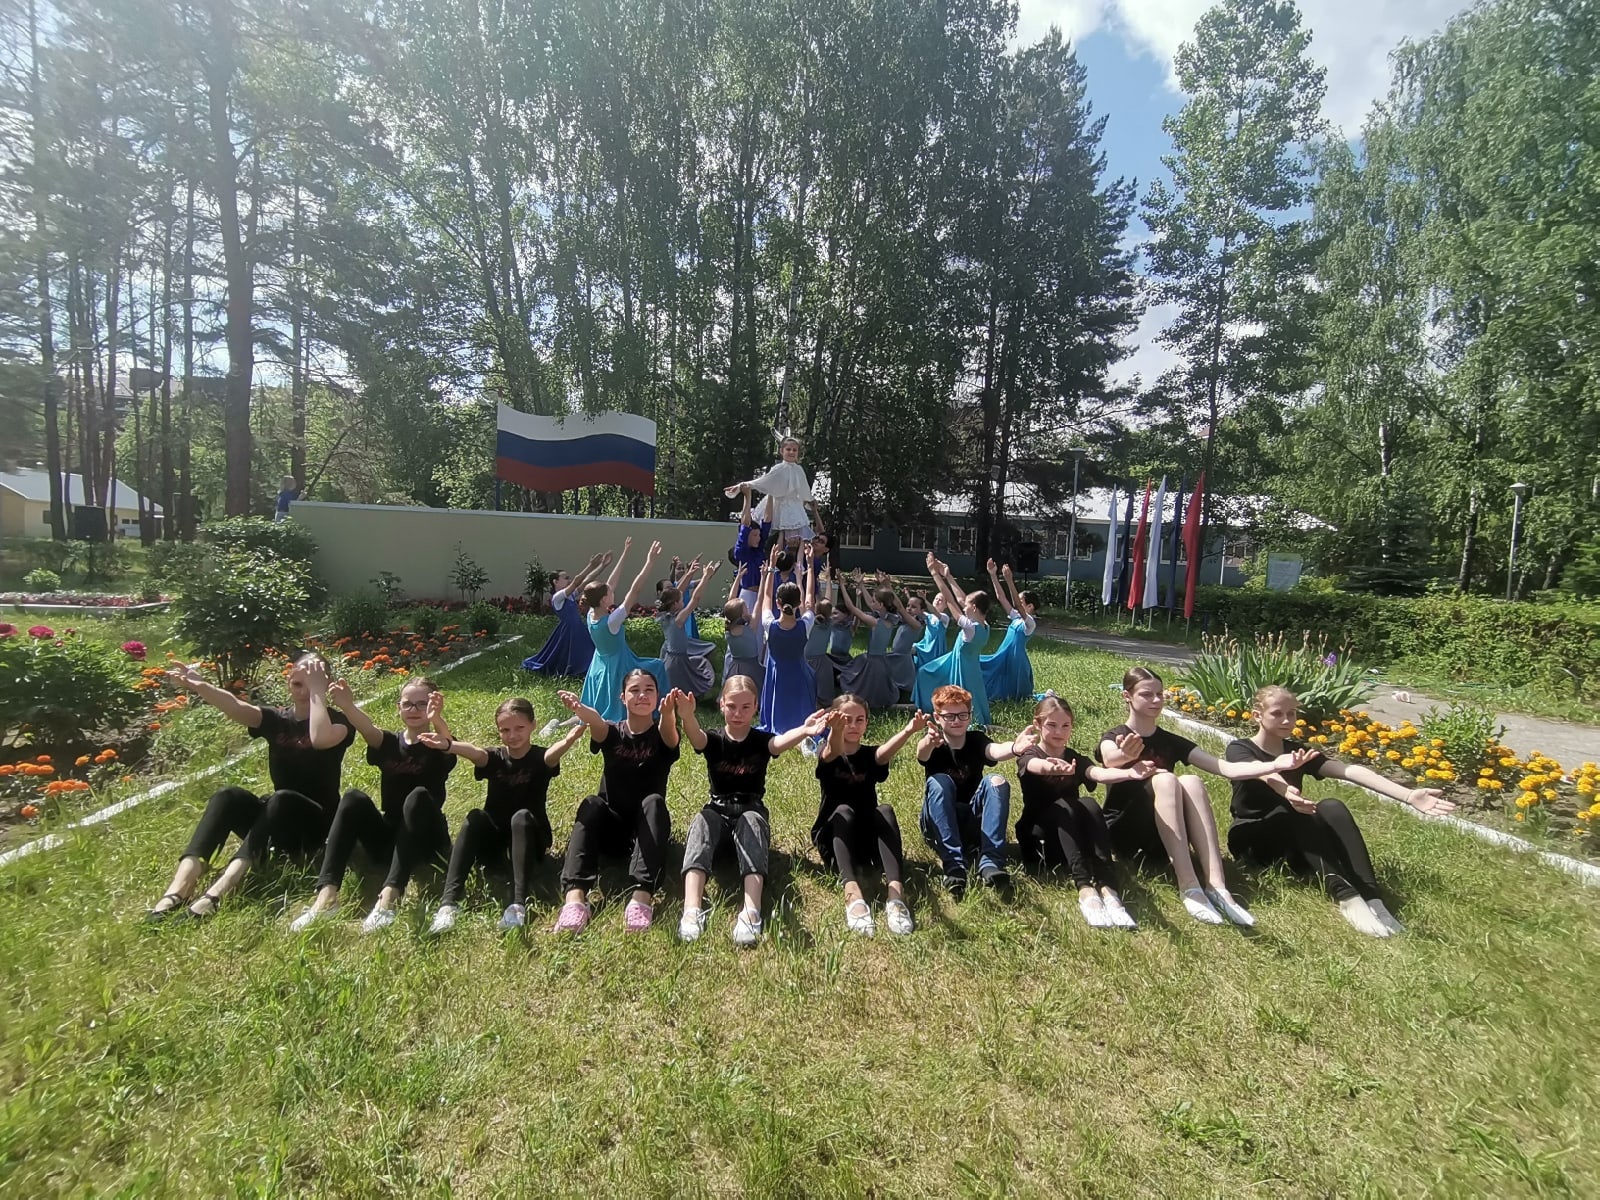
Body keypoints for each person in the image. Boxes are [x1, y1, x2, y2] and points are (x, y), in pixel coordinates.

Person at [1226, 685, 1456, 937]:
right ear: (1257, 715)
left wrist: (1408, 795)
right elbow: (1264, 774)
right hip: (1253, 842)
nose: (1286, 720)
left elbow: (1348, 771)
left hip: (1295, 841)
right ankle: (1346, 897)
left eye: (1291, 713)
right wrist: (1287, 791)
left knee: (1332, 806)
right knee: (1292, 811)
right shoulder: (1240, 748)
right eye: (1277, 713)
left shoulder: (1296, 751)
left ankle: (1372, 898)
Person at [1095, 666, 1317, 927]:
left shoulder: (1171, 741)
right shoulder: (1116, 736)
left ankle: (1217, 886)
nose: (1156, 700)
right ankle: (1189, 886)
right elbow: (1109, 758)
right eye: (1147, 694)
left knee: (1192, 781)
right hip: (1124, 834)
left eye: (1160, 694)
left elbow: (1226, 768)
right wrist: (1125, 755)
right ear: (1127, 696)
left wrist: (1274, 765)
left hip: (1161, 839)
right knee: (1166, 779)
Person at [144, 654, 354, 920]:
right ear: (289, 682)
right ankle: (181, 885)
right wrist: (199, 685)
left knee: (282, 798)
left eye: (313, 682)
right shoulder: (277, 719)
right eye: (299, 682)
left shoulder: (340, 723)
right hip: (276, 818)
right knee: (228, 796)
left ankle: (223, 887)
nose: (304, 689)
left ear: (326, 684)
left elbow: (319, 738)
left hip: (316, 827)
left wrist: (318, 694)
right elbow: (235, 706)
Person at [288, 676, 457, 933]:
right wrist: (347, 705)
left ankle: (389, 898)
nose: (414, 709)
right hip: (390, 836)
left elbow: (449, 747)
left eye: (422, 704)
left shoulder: (438, 743)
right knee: (353, 798)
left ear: (433, 706)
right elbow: (368, 729)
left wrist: (437, 720)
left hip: (427, 839)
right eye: (407, 703)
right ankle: (326, 898)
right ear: (398, 708)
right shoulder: (388, 743)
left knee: (418, 795)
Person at [673, 681, 828, 946]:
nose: (738, 713)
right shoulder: (715, 739)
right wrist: (687, 716)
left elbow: (779, 743)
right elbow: (696, 737)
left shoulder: (760, 741)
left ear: (756, 707)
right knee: (701, 821)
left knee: (752, 820)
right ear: (722, 705)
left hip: (750, 812)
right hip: (718, 813)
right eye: (732, 706)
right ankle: (691, 909)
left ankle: (751, 911)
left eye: (746, 707)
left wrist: (805, 730)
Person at [422, 698, 586, 933]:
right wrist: (449, 745)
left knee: (521, 817)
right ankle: (448, 904)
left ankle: (517, 905)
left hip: (531, 838)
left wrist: (569, 741)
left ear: (533, 725)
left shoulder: (540, 757)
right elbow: (476, 753)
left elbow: (551, 755)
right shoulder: (496, 757)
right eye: (505, 730)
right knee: (475, 817)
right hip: (496, 842)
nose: (512, 735)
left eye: (519, 728)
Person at [552, 671, 682, 933]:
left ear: (657, 696)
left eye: (649, 689)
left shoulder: (662, 735)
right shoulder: (613, 732)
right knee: (591, 803)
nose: (642, 695)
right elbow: (597, 723)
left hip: (647, 832)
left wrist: (669, 714)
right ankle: (575, 900)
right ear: (623, 697)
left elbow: (669, 733)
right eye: (634, 690)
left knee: (654, 802)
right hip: (611, 830)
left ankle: (641, 898)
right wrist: (580, 709)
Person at [1015, 692, 1157, 929]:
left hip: (1071, 841)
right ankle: (1085, 888)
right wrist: (1049, 767)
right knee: (1064, 805)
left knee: (1089, 803)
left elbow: (1097, 773)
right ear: (1038, 725)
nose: (1059, 731)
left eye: (1065, 725)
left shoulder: (1073, 758)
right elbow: (1033, 765)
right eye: (1052, 725)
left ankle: (1108, 887)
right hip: (1040, 842)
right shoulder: (1030, 755)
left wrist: (1129, 773)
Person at [812, 695, 925, 936]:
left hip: (865, 841)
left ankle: (896, 895)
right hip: (834, 838)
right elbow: (832, 751)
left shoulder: (868, 755)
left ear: (867, 723)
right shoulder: (827, 751)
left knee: (884, 810)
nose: (853, 725)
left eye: (859, 720)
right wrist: (835, 730)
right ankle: (852, 894)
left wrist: (908, 730)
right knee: (843, 811)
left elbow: (882, 754)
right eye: (846, 720)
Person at [917, 684, 1027, 899]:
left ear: (970, 715)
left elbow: (994, 751)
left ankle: (991, 862)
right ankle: (954, 865)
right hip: (938, 823)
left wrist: (1014, 747)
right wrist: (929, 741)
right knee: (939, 781)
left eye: (962, 715)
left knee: (997, 781)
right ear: (937, 718)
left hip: (971, 820)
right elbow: (922, 754)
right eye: (949, 716)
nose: (956, 721)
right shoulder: (934, 743)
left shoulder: (976, 739)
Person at [578, 537, 669, 722]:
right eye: (610, 594)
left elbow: (610, 584)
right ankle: (660, 709)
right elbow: (635, 590)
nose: (613, 593)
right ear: (604, 600)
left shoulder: (591, 613)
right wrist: (650, 562)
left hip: (600, 663)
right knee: (658, 666)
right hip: (619, 663)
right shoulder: (612, 621)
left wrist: (625, 553)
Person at [912, 554, 995, 727]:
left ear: (974, 608)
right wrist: (948, 575)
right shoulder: (985, 625)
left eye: (967, 606)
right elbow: (961, 599)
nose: (964, 607)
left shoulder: (969, 627)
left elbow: (950, 600)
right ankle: (930, 706)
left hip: (961, 666)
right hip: (967, 665)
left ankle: (932, 709)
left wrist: (934, 573)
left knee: (935, 679)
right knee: (927, 673)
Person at [757, 541, 818, 735]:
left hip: (777, 673)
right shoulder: (805, 624)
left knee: (777, 701)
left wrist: (771, 568)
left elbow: (766, 597)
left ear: (778, 603)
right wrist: (810, 565)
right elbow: (810, 597)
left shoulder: (769, 624)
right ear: (798, 603)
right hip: (799, 672)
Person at [523, 552, 611, 678]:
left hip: (578, 628)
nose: (569, 580)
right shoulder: (557, 597)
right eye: (565, 578)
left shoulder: (570, 595)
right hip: (569, 631)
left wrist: (602, 566)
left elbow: (587, 580)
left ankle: (589, 669)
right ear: (555, 582)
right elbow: (576, 581)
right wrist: (591, 565)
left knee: (588, 650)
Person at [836, 571, 916, 708]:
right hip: (882, 661)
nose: (871, 603)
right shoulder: (891, 619)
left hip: (872, 662)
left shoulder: (875, 622)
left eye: (874, 601)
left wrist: (842, 585)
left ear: (881, 605)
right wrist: (861, 585)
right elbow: (874, 602)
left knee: (862, 686)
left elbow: (851, 607)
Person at [724, 435, 820, 546]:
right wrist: (741, 485)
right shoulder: (778, 468)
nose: (791, 452)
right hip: (776, 505)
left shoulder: (799, 470)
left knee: (795, 539)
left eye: (794, 450)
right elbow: (763, 481)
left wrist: (810, 500)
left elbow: (804, 489)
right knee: (771, 535)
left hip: (793, 507)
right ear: (781, 451)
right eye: (788, 449)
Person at [658, 560, 721, 699]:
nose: (683, 602)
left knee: (678, 690)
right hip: (676, 662)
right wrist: (705, 577)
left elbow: (678, 590)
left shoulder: (663, 614)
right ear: (675, 604)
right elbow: (695, 599)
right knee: (680, 690)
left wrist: (690, 572)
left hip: (670, 658)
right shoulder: (678, 619)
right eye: (681, 601)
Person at [980, 559, 1039, 703]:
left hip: (1016, 660)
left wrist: (1009, 580)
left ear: (1030, 606)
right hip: (1004, 654)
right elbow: (1001, 597)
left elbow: (1017, 605)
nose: (1018, 603)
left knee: (1019, 696)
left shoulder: (1030, 623)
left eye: (1021, 601)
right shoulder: (1016, 617)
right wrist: (993, 575)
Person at [720, 562, 764, 701]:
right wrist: (764, 578)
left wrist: (738, 577)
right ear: (742, 614)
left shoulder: (728, 629)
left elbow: (730, 600)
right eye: (745, 607)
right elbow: (760, 600)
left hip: (735, 667)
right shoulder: (751, 627)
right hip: (752, 668)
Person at [730, 486, 773, 614]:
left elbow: (767, 521)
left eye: (759, 535)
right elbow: (745, 524)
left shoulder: (758, 548)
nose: (758, 538)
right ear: (747, 536)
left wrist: (771, 493)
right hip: (748, 596)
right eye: (755, 535)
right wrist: (747, 496)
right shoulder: (741, 551)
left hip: (762, 594)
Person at [912, 591, 950, 671]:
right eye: (936, 598)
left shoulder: (945, 618)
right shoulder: (929, 616)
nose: (937, 601)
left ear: (946, 605)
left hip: (934, 650)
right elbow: (916, 610)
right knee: (908, 649)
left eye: (940, 600)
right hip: (924, 646)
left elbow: (934, 611)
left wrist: (924, 599)